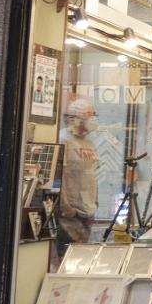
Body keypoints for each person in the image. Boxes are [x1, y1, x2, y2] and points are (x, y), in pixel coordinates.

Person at [58, 97, 100, 251]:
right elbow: (59, 175)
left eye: (94, 114)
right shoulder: (63, 140)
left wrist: (95, 202)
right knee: (68, 256)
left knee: (81, 255)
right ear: (76, 118)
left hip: (88, 211)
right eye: (89, 114)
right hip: (71, 214)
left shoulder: (89, 143)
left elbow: (93, 174)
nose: (93, 118)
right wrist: (66, 206)